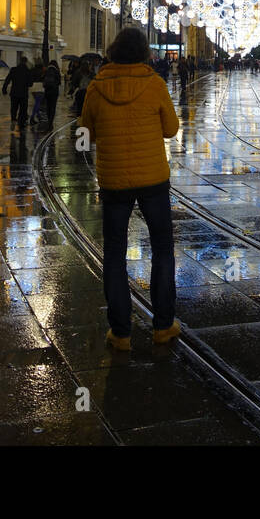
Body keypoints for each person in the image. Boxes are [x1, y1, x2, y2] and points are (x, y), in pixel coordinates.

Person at [79, 27, 181, 350]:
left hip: (114, 182)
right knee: (163, 249)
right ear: (144, 54)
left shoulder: (95, 88)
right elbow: (171, 129)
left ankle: (121, 332)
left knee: (114, 254)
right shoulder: (155, 84)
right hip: (153, 181)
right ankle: (163, 326)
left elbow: (85, 136)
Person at [2, 55, 31, 130]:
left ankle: (13, 119)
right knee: (23, 108)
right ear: (26, 62)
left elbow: (8, 79)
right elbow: (30, 83)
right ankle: (21, 121)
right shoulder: (27, 70)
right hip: (23, 93)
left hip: (14, 92)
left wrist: (4, 89)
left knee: (14, 107)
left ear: (19, 61)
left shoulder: (14, 69)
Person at [41, 59, 62, 126]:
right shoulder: (56, 71)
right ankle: (51, 121)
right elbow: (59, 82)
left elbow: (42, 79)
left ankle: (48, 117)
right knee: (53, 106)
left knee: (48, 106)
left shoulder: (47, 70)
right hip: (54, 92)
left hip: (47, 91)